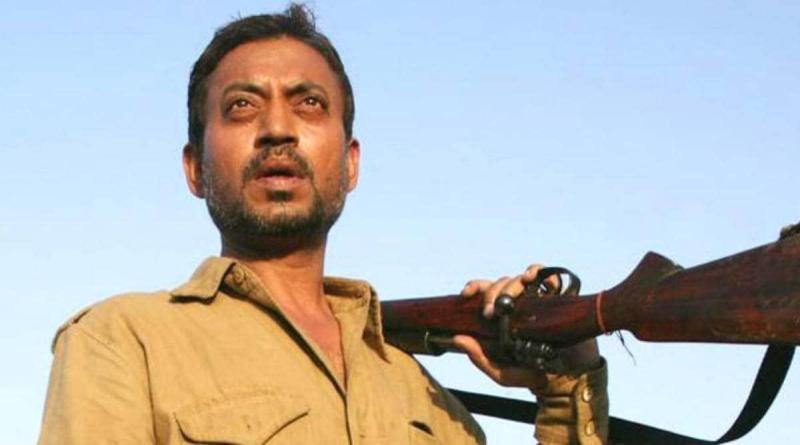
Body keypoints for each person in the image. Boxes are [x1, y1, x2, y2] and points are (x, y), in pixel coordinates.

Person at [39, 4, 608, 444]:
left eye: (309, 103)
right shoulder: (122, 341)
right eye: (241, 106)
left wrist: (567, 382)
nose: (277, 128)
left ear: (351, 163)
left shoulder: (429, 404)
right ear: (195, 169)